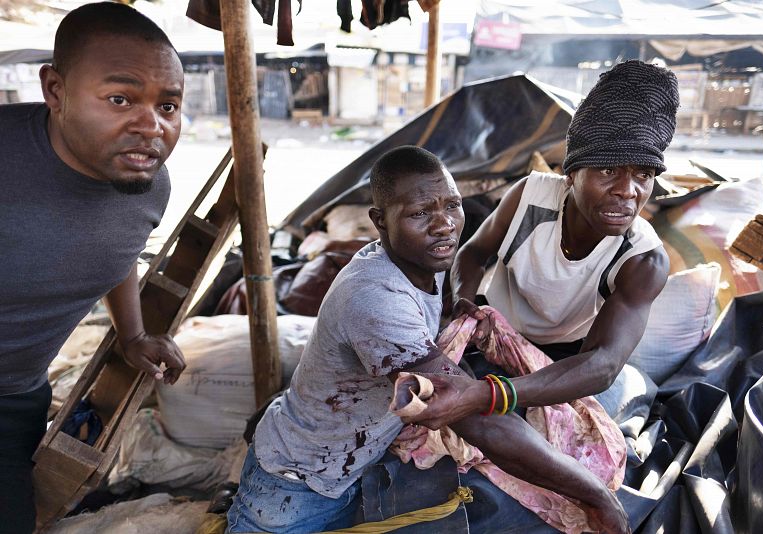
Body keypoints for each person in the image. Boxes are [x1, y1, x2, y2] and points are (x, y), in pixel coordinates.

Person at [227, 146, 629, 534]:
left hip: (350, 466)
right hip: (294, 487)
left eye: (452, 206)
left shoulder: (422, 260)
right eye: (420, 213)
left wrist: (462, 319)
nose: (444, 225)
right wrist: (595, 495)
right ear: (380, 220)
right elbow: (480, 423)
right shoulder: (376, 298)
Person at [401, 60, 677, 431]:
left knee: (549, 432)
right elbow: (473, 254)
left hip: (565, 361)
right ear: (571, 173)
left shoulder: (642, 259)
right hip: (492, 336)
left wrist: (488, 395)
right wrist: (464, 306)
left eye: (643, 174)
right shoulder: (529, 198)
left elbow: (602, 364)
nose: (628, 191)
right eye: (609, 170)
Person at [0, 3, 186, 532]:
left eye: (168, 106)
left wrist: (134, 335)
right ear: (55, 91)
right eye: (120, 99)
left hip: (17, 396)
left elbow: (116, 250)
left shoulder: (146, 185)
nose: (151, 126)